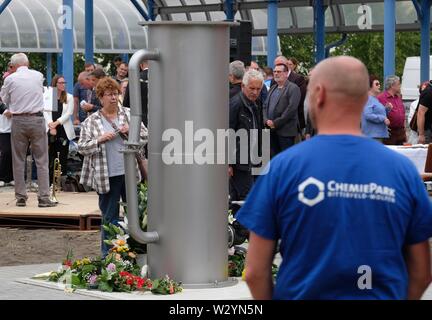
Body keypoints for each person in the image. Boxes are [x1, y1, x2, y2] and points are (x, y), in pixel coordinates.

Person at [237, 56, 432, 300]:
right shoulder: (402, 171)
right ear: (364, 100)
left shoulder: (284, 169)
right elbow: (422, 272)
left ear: (318, 95)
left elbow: (254, 271)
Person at [78, 77, 148, 257]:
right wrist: (99, 140)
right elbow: (82, 147)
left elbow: (145, 135)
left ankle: (134, 253)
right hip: (106, 175)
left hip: (130, 173)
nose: (113, 98)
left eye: (116, 93)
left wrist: (130, 131)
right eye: (109, 94)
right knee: (110, 218)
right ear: (100, 97)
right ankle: (109, 257)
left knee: (135, 215)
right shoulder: (91, 121)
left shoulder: (128, 114)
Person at [0, 53, 56, 207]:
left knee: (18, 160)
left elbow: (4, 99)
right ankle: (44, 197)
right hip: (37, 119)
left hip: (18, 120)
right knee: (42, 160)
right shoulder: (38, 75)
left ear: (13, 66)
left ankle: (21, 197)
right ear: (28, 63)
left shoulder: (10, 79)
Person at [229, 69, 263, 202]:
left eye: (258, 89)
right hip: (239, 161)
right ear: (243, 86)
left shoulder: (255, 103)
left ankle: (235, 222)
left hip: (252, 158)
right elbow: (228, 132)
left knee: (239, 197)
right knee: (247, 198)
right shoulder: (236, 104)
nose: (255, 92)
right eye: (252, 88)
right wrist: (229, 163)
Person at [263, 63, 300, 156]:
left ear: (286, 73)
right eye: (274, 71)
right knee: (274, 158)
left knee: (286, 159)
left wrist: (275, 123)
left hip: (285, 132)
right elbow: (265, 106)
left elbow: (291, 109)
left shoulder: (293, 88)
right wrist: (266, 120)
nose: (276, 74)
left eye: (279, 71)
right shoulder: (273, 88)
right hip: (271, 130)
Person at [43, 75, 76, 180]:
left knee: (62, 154)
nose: (63, 85)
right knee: (50, 154)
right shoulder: (49, 96)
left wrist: (56, 124)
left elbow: (68, 113)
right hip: (50, 128)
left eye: (64, 83)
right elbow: (45, 112)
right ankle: (49, 179)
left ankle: (61, 179)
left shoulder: (69, 97)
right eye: (61, 83)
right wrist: (51, 125)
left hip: (63, 129)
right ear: (55, 84)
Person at [377, 75, 406, 145]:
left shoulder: (398, 97)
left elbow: (402, 114)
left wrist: (404, 131)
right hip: (389, 132)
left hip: (401, 132)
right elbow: (377, 113)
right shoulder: (381, 98)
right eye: (399, 84)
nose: (400, 86)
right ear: (392, 86)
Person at [361, 75, 389, 141]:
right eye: (377, 84)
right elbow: (367, 115)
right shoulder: (368, 99)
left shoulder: (375, 99)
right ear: (369, 86)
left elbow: (378, 113)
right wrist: (383, 118)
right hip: (372, 135)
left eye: (379, 84)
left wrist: (387, 109)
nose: (379, 85)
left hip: (377, 135)